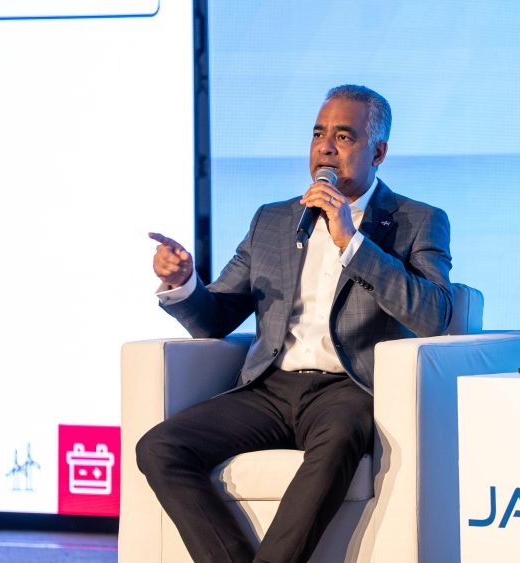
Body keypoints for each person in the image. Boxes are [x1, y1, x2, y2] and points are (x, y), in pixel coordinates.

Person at [136, 84, 453, 563]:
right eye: (318, 134)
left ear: (378, 153)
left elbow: (434, 315)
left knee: (339, 439)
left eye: (343, 137)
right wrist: (184, 283)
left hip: (348, 389)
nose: (325, 147)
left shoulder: (417, 220)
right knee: (159, 447)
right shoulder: (274, 221)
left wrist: (353, 243)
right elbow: (215, 319)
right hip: (270, 388)